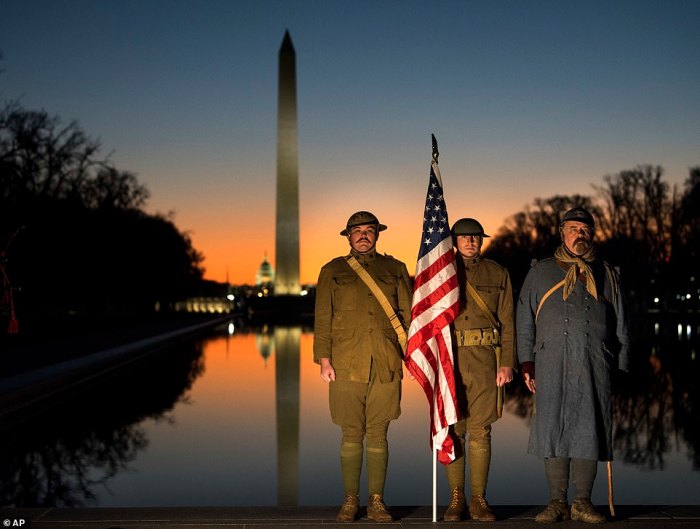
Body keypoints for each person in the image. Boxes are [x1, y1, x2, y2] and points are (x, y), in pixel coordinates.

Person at [516, 207, 629, 524]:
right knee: (553, 429)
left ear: (591, 235)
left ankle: (582, 503)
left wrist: (621, 367)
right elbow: (524, 320)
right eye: (573, 228)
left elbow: (622, 325)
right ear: (561, 232)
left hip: (595, 364)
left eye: (585, 229)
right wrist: (526, 362)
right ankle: (556, 503)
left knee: (588, 430)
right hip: (550, 363)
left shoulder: (607, 273)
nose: (580, 234)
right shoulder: (540, 272)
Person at [314, 211, 412, 523]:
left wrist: (413, 355)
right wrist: (324, 359)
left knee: (379, 433)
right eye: (358, 231)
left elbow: (409, 317)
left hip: (385, 361)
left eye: (369, 230)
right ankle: (350, 500)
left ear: (377, 234)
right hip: (345, 363)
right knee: (351, 433)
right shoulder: (332, 270)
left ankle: (377, 501)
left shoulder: (395, 269)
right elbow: (323, 318)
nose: (364, 235)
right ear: (348, 235)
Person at [442, 218, 515, 522]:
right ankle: (456, 499)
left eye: (475, 237)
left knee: (481, 432)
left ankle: (479, 499)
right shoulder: (442, 274)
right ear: (454, 242)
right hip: (452, 361)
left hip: (487, 360)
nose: (470, 241)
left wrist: (508, 362)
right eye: (464, 237)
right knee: (455, 431)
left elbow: (508, 321)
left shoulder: (498, 273)